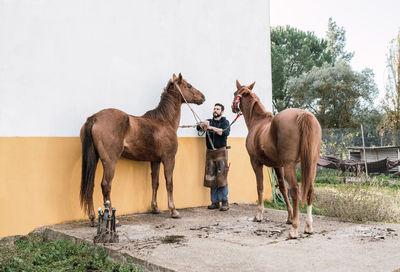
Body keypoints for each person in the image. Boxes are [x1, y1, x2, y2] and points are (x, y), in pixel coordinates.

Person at [197, 103, 230, 211]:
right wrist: (202, 124)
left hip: (221, 152)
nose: (215, 110)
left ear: (222, 112)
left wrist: (210, 127)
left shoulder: (225, 122)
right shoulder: (208, 121)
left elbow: (224, 132)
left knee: (222, 178)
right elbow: (199, 128)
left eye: (218, 109)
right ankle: (214, 202)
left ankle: (224, 202)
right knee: (211, 177)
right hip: (210, 153)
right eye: (214, 108)